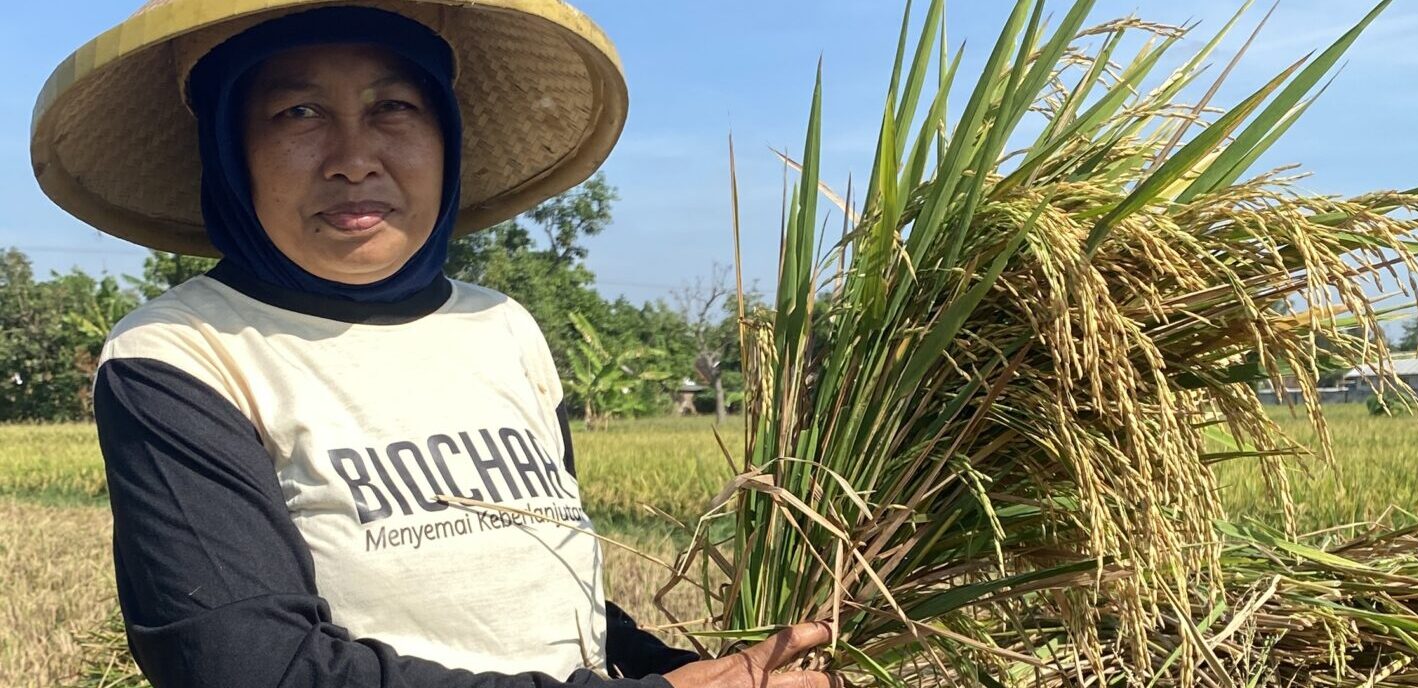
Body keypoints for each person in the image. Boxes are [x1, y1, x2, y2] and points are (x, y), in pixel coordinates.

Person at [31, 1, 835, 687]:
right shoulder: (179, 355)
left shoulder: (503, 327)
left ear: (445, 136)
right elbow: (249, 662)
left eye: (394, 107)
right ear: (230, 152)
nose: (354, 160)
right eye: (297, 113)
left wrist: (689, 667)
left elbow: (548, 593)